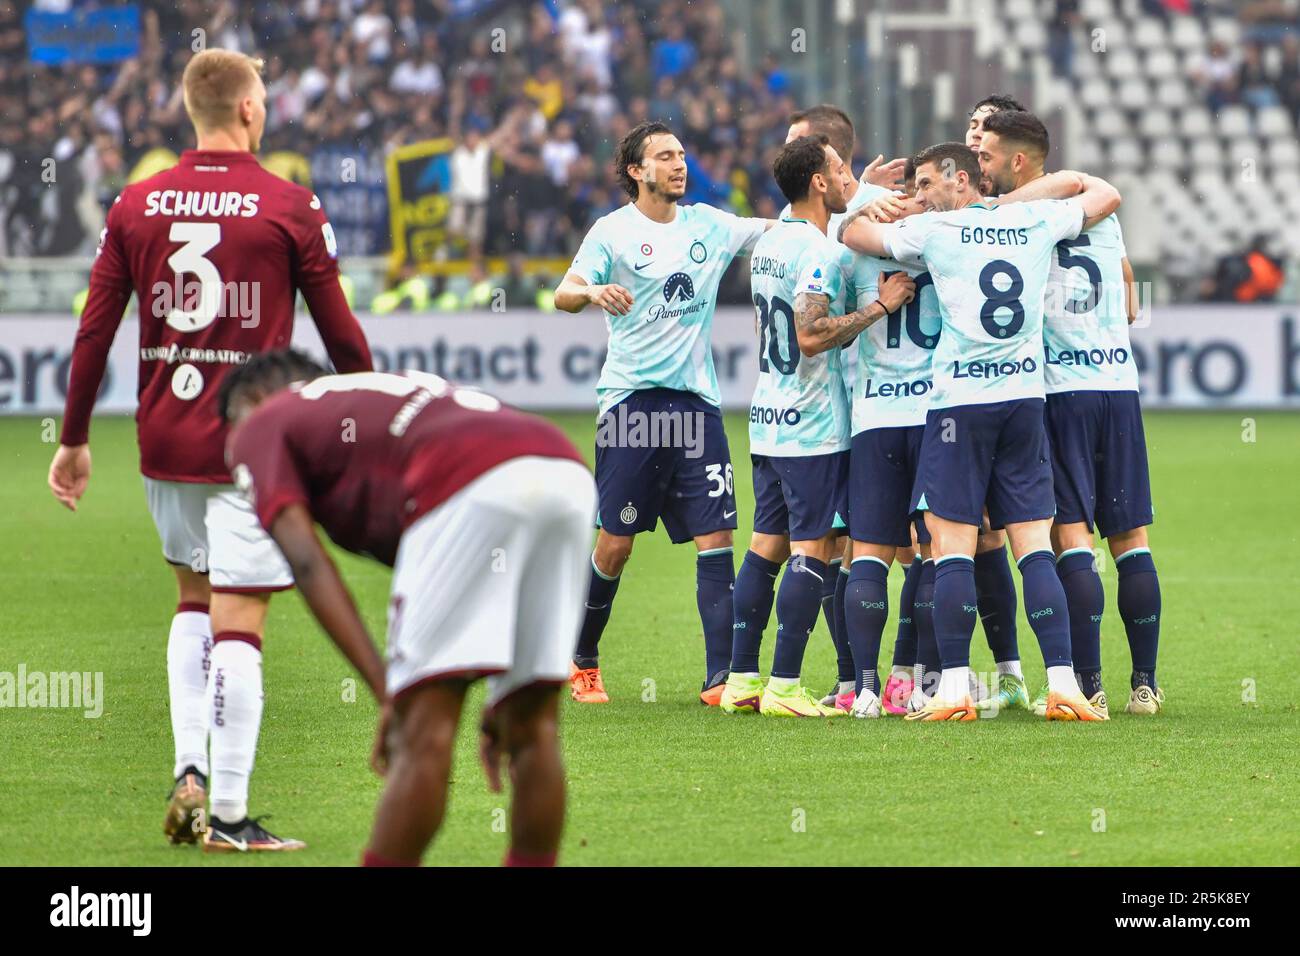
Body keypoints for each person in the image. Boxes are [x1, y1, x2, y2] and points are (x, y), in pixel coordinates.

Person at [47, 49, 373, 851]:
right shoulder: (290, 205)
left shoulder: (135, 203)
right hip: (252, 440)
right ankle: (227, 814)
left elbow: (95, 332)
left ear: (193, 112)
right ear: (250, 112)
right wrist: (370, 420)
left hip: (164, 434)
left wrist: (75, 438)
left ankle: (188, 769)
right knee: (242, 620)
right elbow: (341, 337)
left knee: (193, 600)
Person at [218, 352, 595, 866]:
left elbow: (305, 561)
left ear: (256, 399)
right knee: (533, 727)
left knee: (423, 735)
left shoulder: (262, 420)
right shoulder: (372, 397)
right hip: (563, 470)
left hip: (468, 480)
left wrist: (388, 691)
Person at [842, 142, 1119, 721]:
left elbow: (854, 237)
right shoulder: (1033, 219)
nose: (918, 196)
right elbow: (1104, 196)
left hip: (958, 410)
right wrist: (1039, 189)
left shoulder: (936, 233)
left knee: (952, 550)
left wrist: (867, 202)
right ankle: (1063, 684)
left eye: (925, 184)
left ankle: (953, 690)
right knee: (1033, 546)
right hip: (1023, 401)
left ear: (958, 180)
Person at [554, 121, 771, 705]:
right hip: (632, 406)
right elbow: (563, 293)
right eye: (666, 157)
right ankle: (583, 659)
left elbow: (780, 232)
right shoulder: (613, 233)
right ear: (636, 171)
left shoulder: (710, 224)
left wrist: (853, 205)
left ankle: (720, 678)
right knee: (616, 543)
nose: (679, 164)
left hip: (697, 407)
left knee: (717, 537)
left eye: (682, 154)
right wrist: (594, 292)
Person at [720, 135, 914, 717]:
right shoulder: (819, 252)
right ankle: (784, 686)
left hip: (766, 419)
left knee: (763, 548)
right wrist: (881, 307)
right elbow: (809, 336)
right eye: (838, 168)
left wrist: (864, 200)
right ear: (818, 183)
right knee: (815, 548)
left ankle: (741, 678)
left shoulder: (772, 243)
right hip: (813, 424)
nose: (846, 176)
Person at [978, 109, 1163, 716]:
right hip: (1119, 385)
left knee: (1071, 538)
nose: (980, 161)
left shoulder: (1020, 219)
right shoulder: (1101, 215)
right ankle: (1145, 685)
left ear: (1020, 162)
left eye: (988, 154)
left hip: (1059, 393)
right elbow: (1132, 295)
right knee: (1130, 538)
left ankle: (1089, 684)